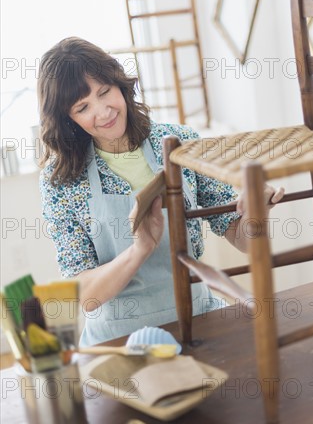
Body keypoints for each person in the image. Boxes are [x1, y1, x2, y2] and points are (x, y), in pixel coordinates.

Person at [38, 37, 284, 346]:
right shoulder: (60, 181)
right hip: (119, 342)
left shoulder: (180, 141)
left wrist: (256, 213)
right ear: (68, 118)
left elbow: (242, 240)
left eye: (104, 92)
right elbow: (84, 295)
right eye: (83, 107)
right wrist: (140, 249)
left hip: (197, 322)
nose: (103, 112)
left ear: (120, 85)